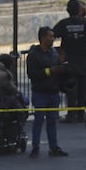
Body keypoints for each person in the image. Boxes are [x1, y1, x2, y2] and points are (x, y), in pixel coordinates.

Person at [53, 0, 86, 125]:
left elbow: (52, 35)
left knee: (71, 88)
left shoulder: (63, 24)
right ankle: (81, 114)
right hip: (83, 61)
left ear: (67, 10)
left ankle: (71, 114)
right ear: (78, 10)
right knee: (82, 88)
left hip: (69, 61)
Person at [27, 26, 68, 158]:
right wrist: (50, 71)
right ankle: (35, 147)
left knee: (52, 121)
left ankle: (53, 147)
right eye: (50, 36)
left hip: (53, 91)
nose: (52, 39)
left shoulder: (54, 52)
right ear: (43, 38)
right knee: (38, 121)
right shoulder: (34, 55)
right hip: (40, 92)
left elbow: (58, 67)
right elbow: (32, 74)